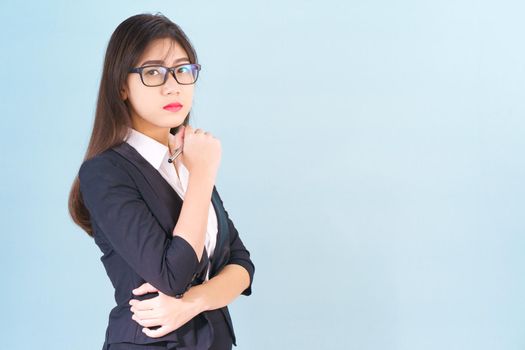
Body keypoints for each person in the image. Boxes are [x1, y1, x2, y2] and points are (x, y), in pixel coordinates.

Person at [68, 13, 255, 350]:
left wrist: (194, 302)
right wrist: (202, 174)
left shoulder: (188, 158)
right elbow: (173, 276)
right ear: (121, 86)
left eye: (183, 70)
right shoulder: (105, 172)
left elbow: (242, 267)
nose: (173, 85)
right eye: (153, 72)